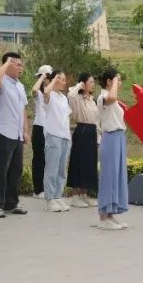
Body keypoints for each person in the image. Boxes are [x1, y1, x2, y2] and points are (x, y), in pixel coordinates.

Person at [0, 52, 29, 219]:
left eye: (21, 64)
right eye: (17, 64)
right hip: (3, 132)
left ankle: (11, 204)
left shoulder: (20, 86)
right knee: (1, 170)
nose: (21, 67)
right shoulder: (2, 82)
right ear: (7, 65)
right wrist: (6, 63)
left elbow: (22, 109)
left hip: (17, 133)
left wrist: (26, 131)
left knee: (16, 170)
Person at [97, 70, 129, 230]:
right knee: (109, 176)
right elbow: (112, 97)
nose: (120, 82)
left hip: (119, 137)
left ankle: (110, 214)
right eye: (117, 79)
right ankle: (103, 217)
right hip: (110, 138)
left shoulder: (113, 100)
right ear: (109, 81)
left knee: (116, 176)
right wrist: (115, 81)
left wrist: (115, 80)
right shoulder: (103, 97)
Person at [66, 73, 99, 208]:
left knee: (89, 164)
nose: (93, 84)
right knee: (78, 162)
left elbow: (97, 119)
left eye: (93, 82)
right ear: (83, 84)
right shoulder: (77, 98)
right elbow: (70, 95)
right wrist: (79, 85)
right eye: (90, 82)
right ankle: (75, 196)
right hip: (82, 130)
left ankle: (84, 194)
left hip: (92, 131)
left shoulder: (92, 100)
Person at [42, 70, 72, 213]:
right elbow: (46, 91)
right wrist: (53, 80)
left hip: (65, 136)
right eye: (60, 78)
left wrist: (69, 135)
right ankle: (50, 199)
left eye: (64, 79)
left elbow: (66, 118)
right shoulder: (50, 95)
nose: (63, 81)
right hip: (53, 135)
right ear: (53, 80)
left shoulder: (64, 98)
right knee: (52, 168)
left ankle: (58, 196)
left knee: (61, 169)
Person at [30, 65, 52, 199]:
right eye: (42, 77)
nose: (46, 80)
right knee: (39, 159)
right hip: (39, 128)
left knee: (49, 160)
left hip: (51, 129)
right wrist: (43, 76)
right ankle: (38, 190)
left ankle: (48, 187)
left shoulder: (54, 94)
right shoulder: (38, 93)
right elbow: (33, 90)